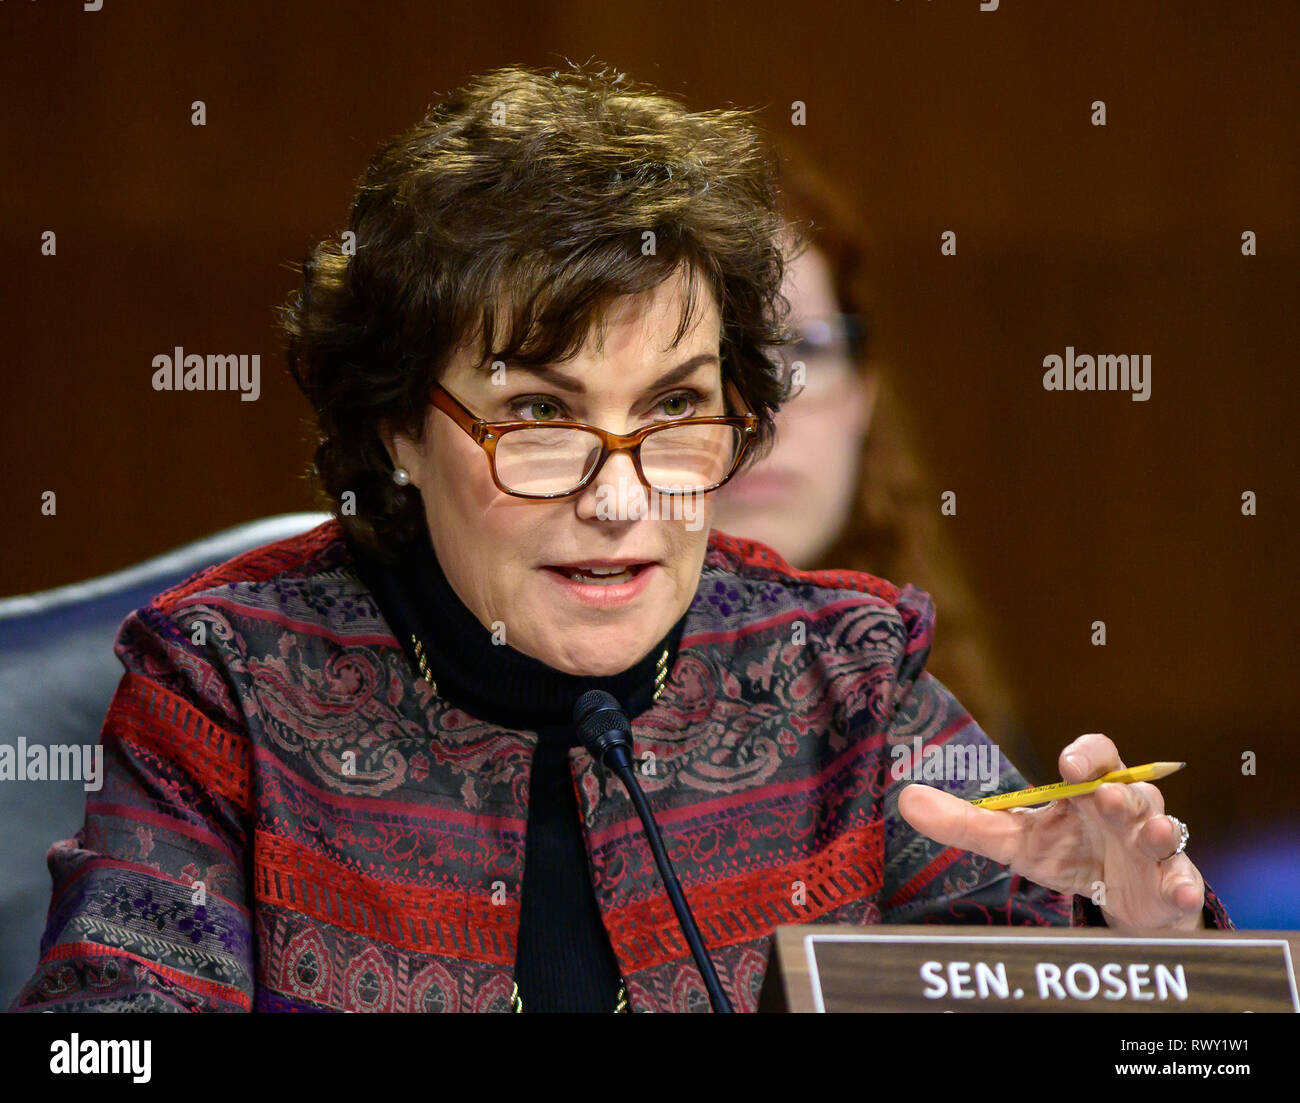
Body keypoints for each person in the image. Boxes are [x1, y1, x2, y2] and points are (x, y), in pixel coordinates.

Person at [11, 63, 1231, 1015]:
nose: (621, 497)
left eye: (674, 410)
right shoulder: (227, 682)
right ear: (395, 423)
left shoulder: (840, 677)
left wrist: (1148, 959)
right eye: (539, 415)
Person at [712, 148, 1039, 775]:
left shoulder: (945, 719)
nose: (759, 412)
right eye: (711, 362)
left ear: (864, 393)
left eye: (803, 347)